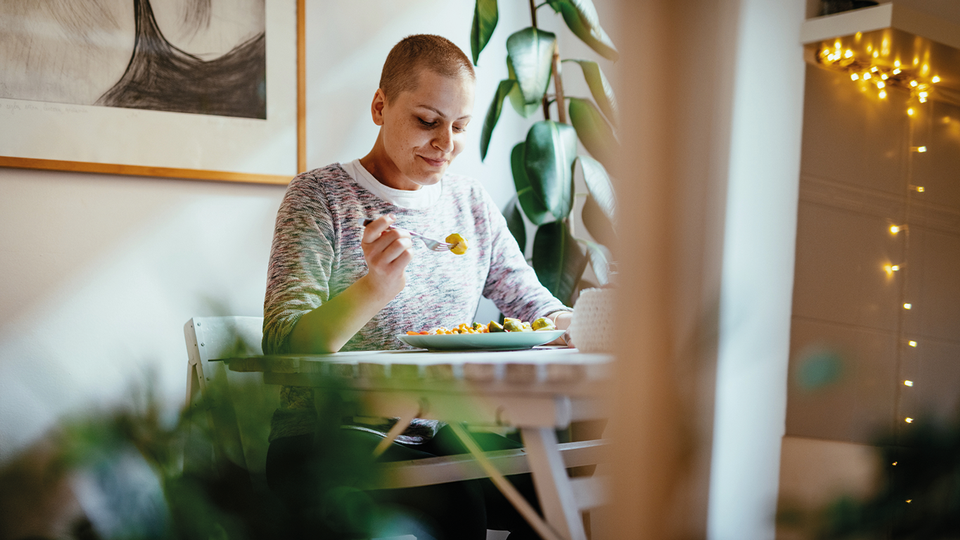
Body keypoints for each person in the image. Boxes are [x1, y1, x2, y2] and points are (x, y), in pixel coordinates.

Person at [261, 34, 573, 539]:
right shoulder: (319, 196)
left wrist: (582, 324)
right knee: (459, 506)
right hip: (328, 438)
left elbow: (531, 303)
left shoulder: (469, 202)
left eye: (460, 126)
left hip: (435, 432)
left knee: (560, 492)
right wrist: (374, 288)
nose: (445, 144)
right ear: (380, 107)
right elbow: (282, 345)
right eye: (428, 122)